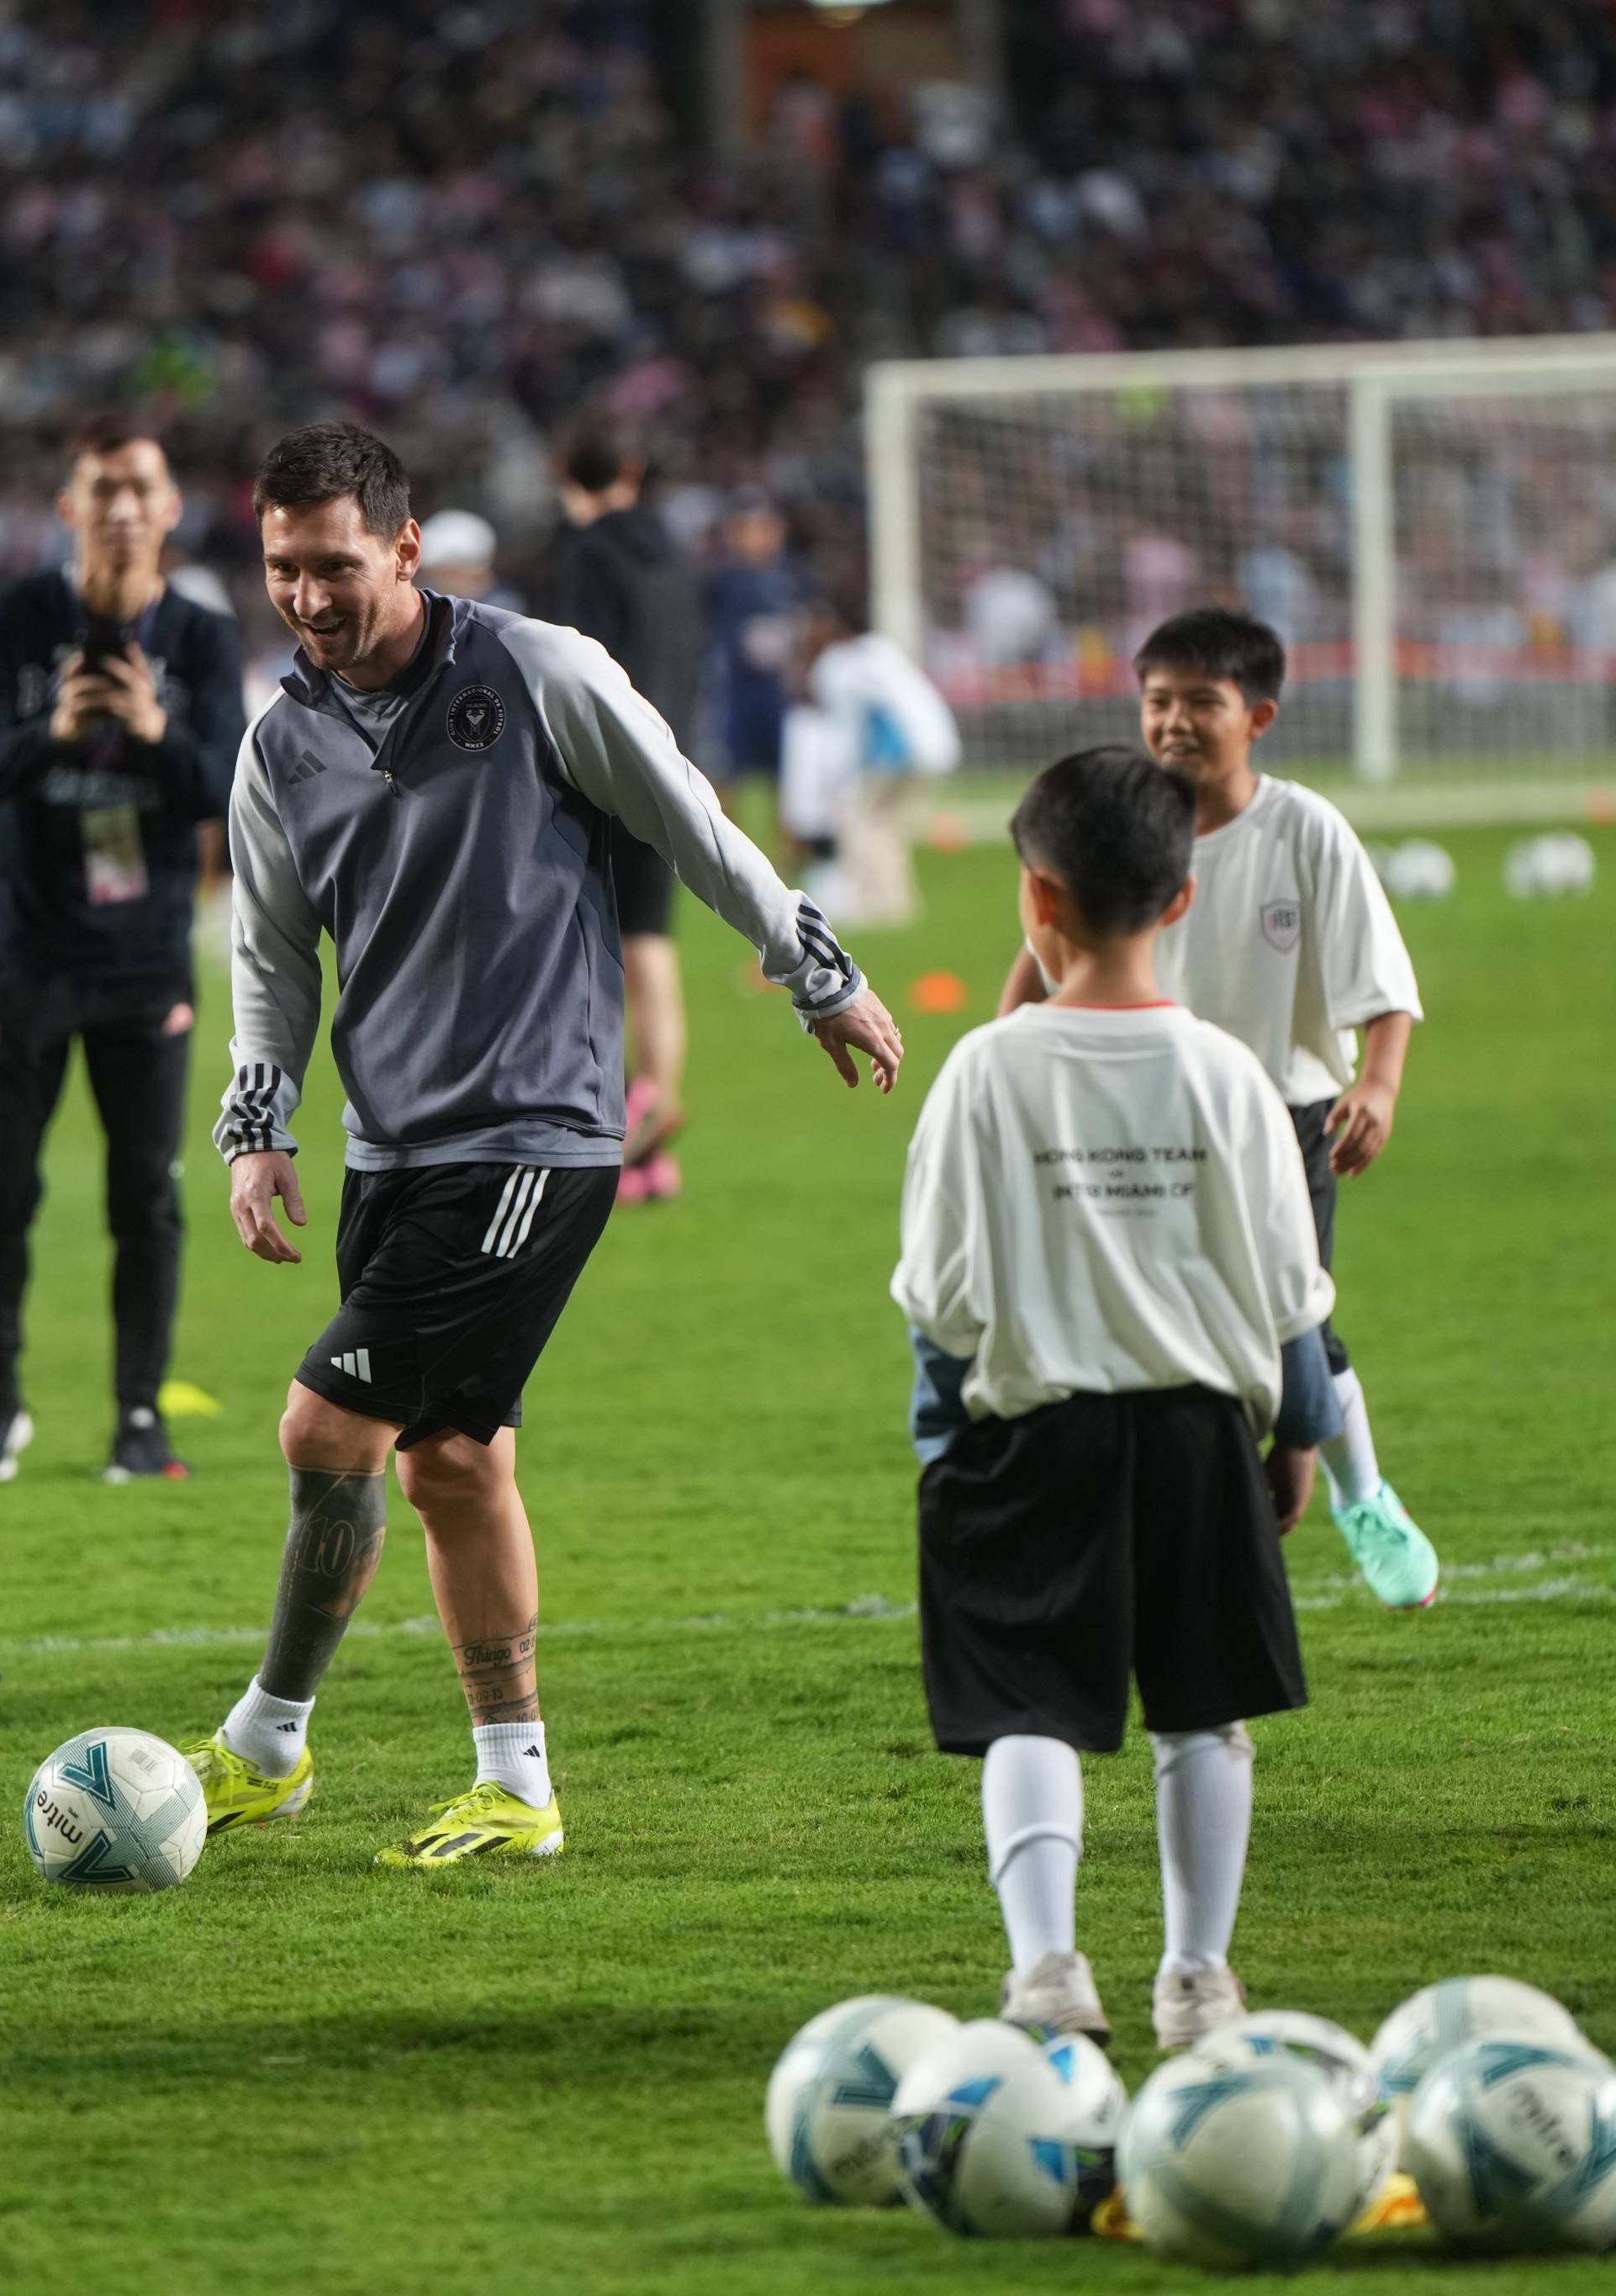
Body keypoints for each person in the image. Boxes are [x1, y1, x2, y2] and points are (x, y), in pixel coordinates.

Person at [191, 421, 903, 1866]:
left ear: (404, 548)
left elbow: (694, 824)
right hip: (393, 1149)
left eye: (335, 566)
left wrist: (815, 972)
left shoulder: (538, 670)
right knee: (454, 1464)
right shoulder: (279, 745)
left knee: (327, 1425)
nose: (310, 598)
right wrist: (256, 1130)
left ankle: (269, 1739)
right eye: (283, 569)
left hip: (539, 1133)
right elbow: (271, 959)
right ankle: (516, 1784)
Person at [895, 747, 1338, 2047]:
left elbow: (938, 1292)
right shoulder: (1225, 1074)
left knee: (1025, 1702)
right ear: (1182, 897)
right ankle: (1197, 1979)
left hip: (1026, 1429)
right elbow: (1285, 1281)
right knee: (1202, 1710)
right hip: (1201, 1428)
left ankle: (1047, 1973)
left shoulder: (985, 1068)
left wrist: (941, 1433)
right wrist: (1296, 1431)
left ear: (1034, 901)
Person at [995, 608, 1438, 1610]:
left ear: (1260, 715)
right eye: (1158, 702)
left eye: (1202, 702)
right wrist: (1009, 1048)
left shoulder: (1304, 830)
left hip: (1283, 1118)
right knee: (1161, 1321)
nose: (1175, 723)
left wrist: (1378, 1083)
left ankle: (1363, 1497)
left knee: (1298, 1317)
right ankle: (1180, 1529)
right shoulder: (1128, 818)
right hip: (1139, 1104)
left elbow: (1385, 984)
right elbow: (1043, 944)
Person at [0, 416, 246, 1482]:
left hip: (145, 961)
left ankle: (138, 1416)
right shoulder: (14, 623)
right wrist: (52, 733)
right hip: (25, 955)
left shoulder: (202, 641)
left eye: (141, 490)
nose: (122, 508)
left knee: (146, 1196)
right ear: (69, 508)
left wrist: (158, 737)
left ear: (170, 510)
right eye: (102, 490)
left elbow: (232, 790)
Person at [534, 415, 703, 1204]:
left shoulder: (582, 556)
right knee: (652, 948)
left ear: (562, 469)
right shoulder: (672, 553)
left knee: (588, 955)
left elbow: (572, 667)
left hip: (600, 769)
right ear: (632, 468)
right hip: (672, 762)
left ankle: (610, 1128)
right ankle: (654, 1119)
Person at [794, 579, 962, 931]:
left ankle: (878, 909)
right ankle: (896, 905)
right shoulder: (881, 650)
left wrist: (842, 779)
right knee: (886, 828)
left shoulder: (835, 665)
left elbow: (851, 729)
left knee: (860, 826)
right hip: (937, 749)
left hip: (895, 755)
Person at [702, 486, 802, 797]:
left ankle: (791, 846)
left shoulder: (792, 576)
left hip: (780, 692)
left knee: (792, 776)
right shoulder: (724, 580)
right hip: (736, 692)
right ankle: (716, 844)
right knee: (726, 774)